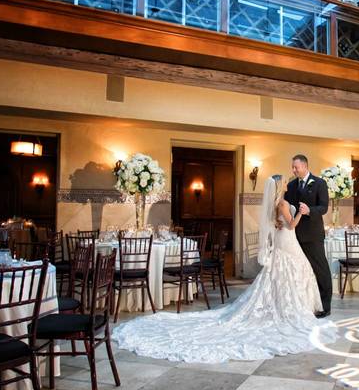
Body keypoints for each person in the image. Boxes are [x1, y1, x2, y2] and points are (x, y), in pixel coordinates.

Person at [111, 175, 333, 364]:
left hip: (284, 241)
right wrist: (301, 213)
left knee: (283, 275)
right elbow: (292, 225)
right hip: (288, 240)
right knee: (293, 272)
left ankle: (284, 304)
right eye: (284, 181)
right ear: (279, 186)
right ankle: (289, 307)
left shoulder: (277, 204)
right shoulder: (283, 204)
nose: (288, 182)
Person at [284, 154, 332, 317]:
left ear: (305, 166)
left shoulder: (319, 183)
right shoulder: (290, 186)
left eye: (296, 167)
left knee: (321, 270)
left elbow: (324, 207)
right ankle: (304, 304)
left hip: (313, 235)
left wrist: (310, 210)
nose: (294, 170)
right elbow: (285, 207)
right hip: (294, 236)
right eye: (293, 167)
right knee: (301, 271)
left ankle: (325, 306)